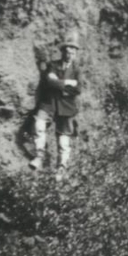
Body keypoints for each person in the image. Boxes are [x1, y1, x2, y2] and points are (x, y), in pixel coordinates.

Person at [30, 34, 82, 171]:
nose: (69, 55)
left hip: (66, 106)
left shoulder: (77, 70)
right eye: (67, 52)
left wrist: (59, 84)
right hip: (49, 103)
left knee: (63, 138)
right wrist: (68, 83)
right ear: (62, 52)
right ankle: (39, 156)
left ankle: (61, 166)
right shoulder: (53, 65)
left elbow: (78, 89)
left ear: (75, 54)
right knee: (39, 124)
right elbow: (50, 82)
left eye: (72, 53)